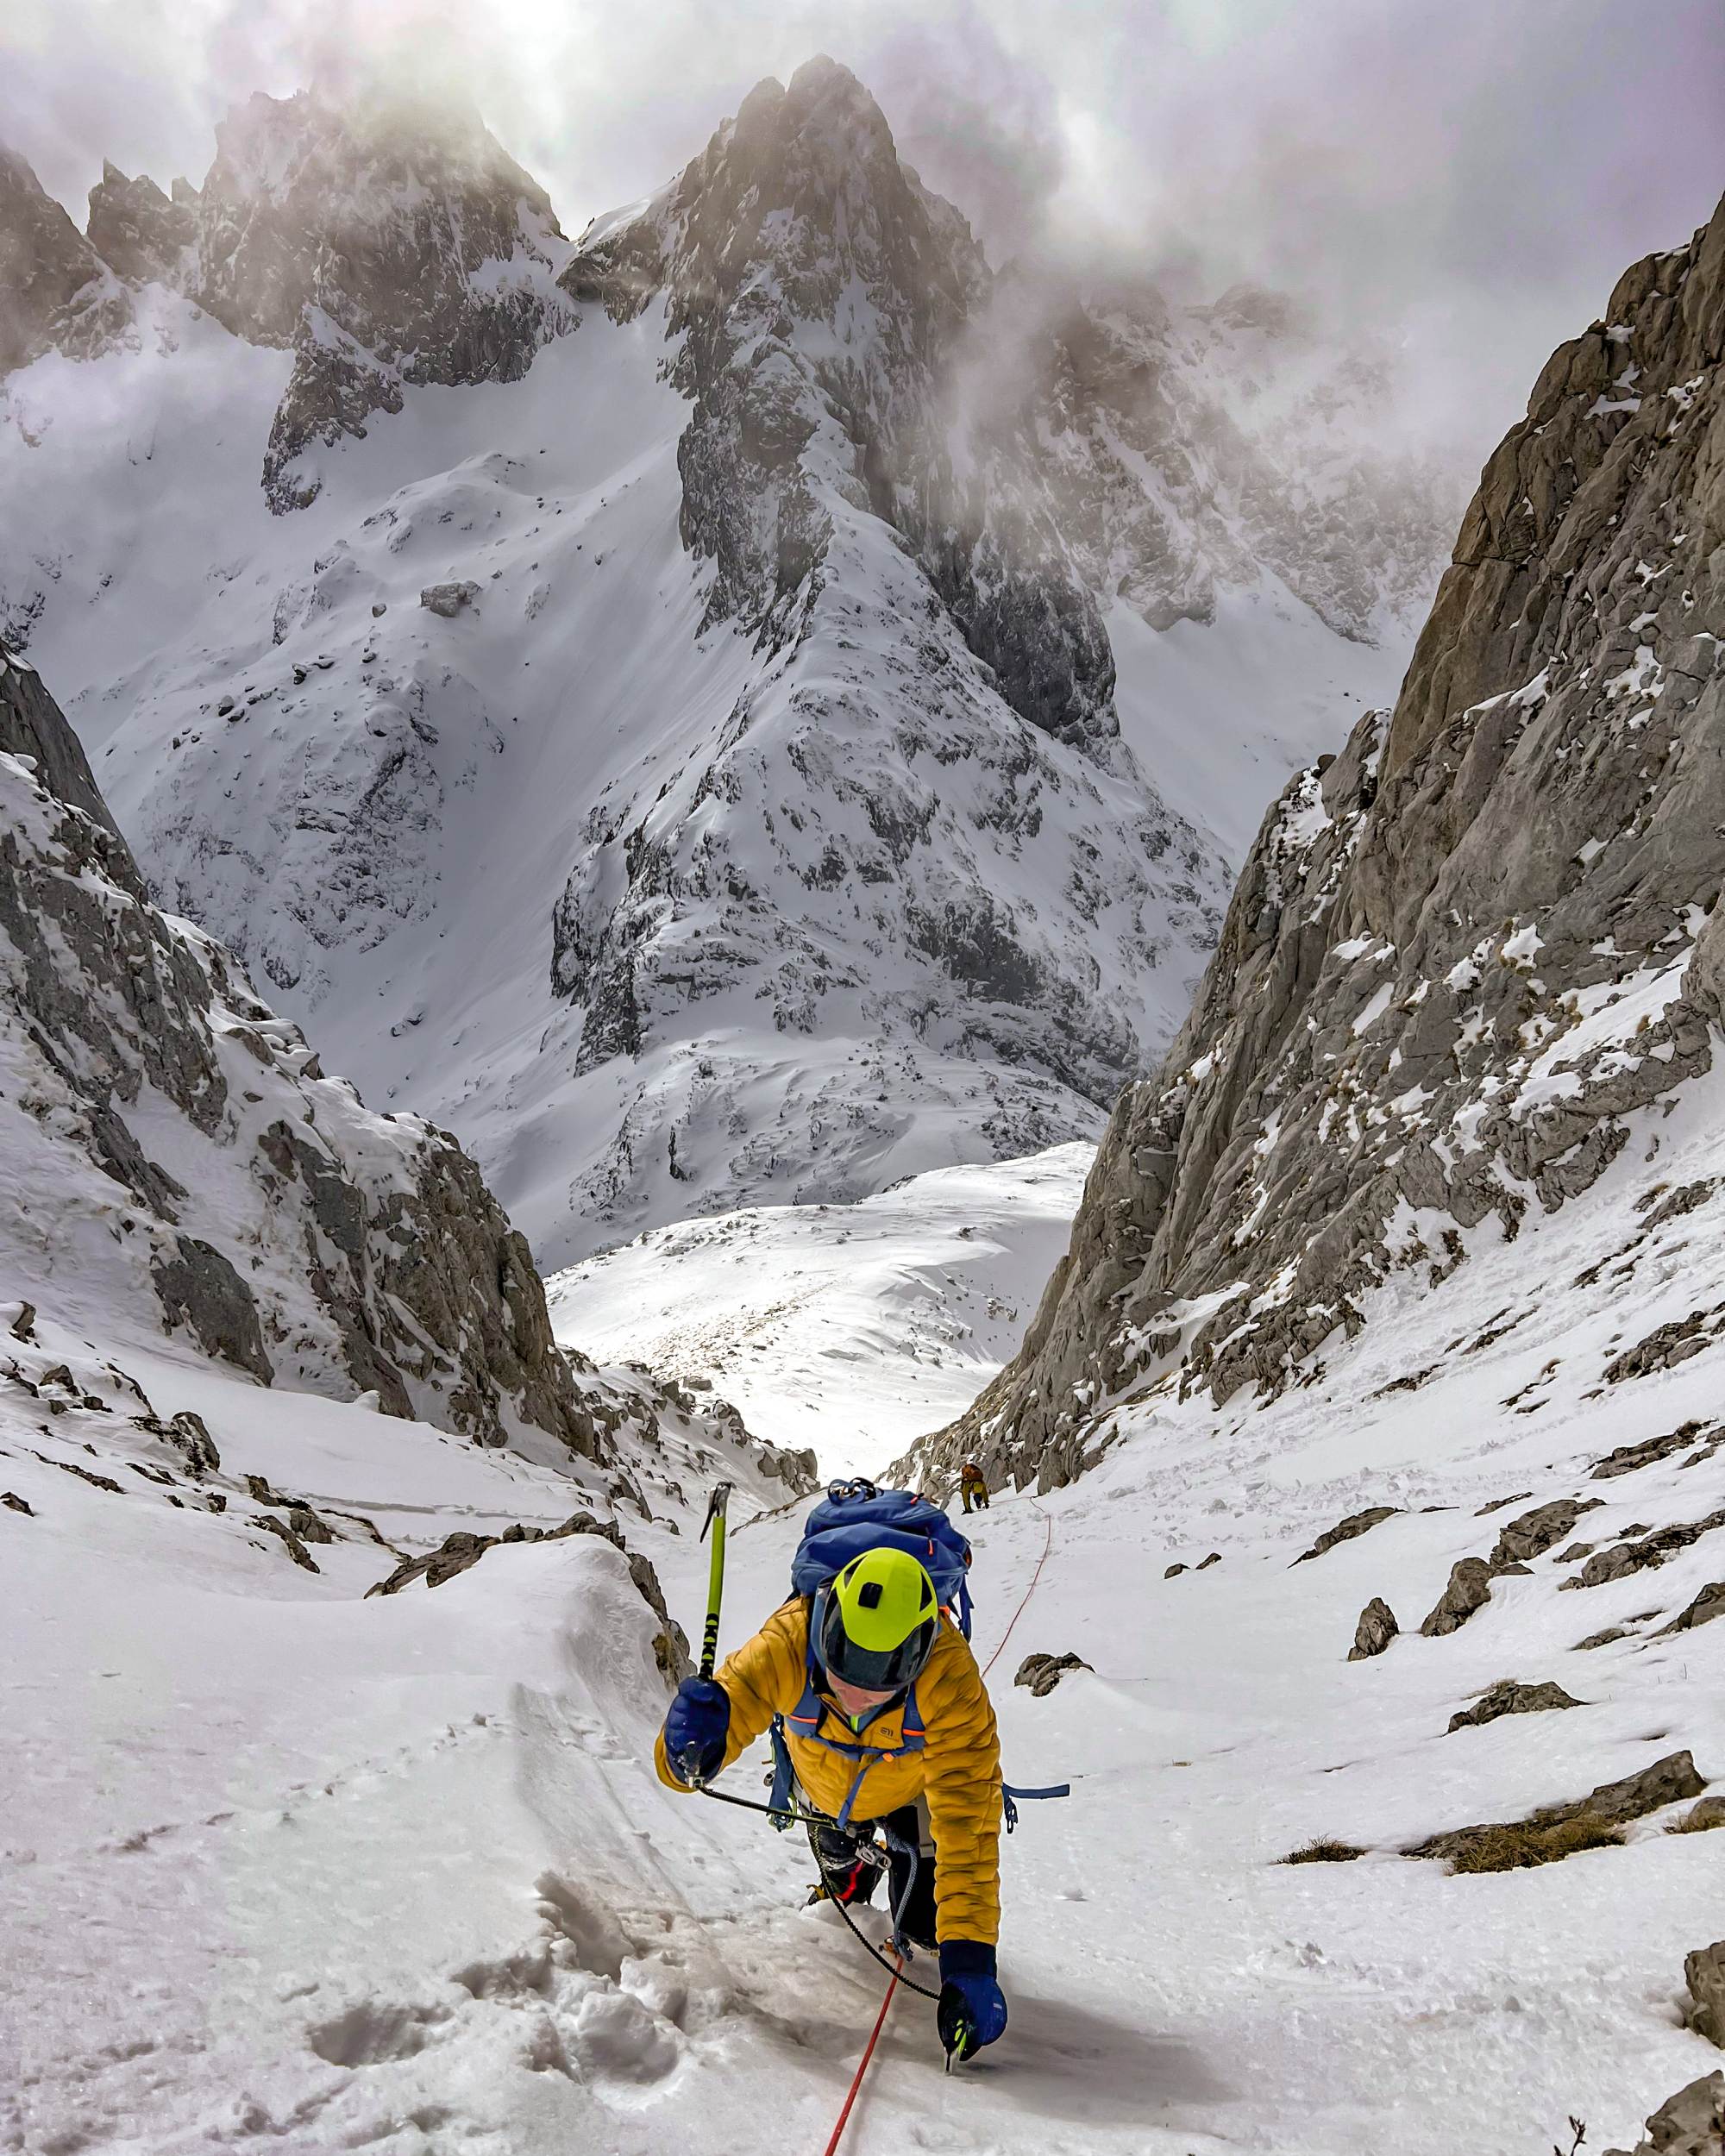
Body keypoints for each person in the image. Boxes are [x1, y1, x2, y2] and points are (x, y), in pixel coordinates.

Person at [656, 1544, 1008, 2055]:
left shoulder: (950, 1682)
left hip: (909, 1794)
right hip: (825, 1791)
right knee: (841, 1865)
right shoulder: (787, 1642)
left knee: (928, 1934)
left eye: (883, 1671)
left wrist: (972, 1961)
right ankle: (851, 1872)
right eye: (846, 1658)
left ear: (920, 1649)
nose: (856, 1693)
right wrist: (685, 1748)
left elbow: (970, 1828)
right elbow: (679, 1770)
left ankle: (898, 1878)